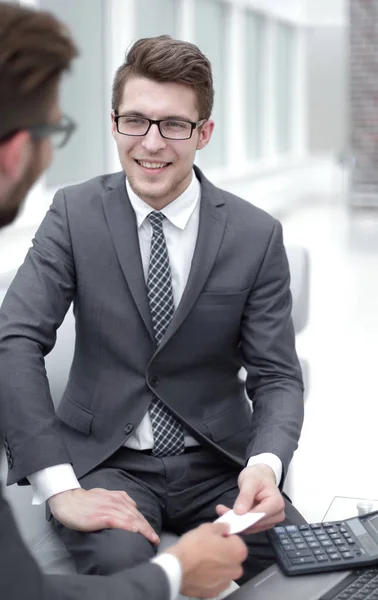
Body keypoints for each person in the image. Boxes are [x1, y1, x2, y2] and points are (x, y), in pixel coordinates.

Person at [0, 16, 306, 586]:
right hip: (109, 464)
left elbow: (277, 374)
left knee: (304, 557)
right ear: (114, 123)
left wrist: (265, 465)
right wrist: (59, 485)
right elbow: (14, 340)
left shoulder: (255, 233)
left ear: (204, 132)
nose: (151, 142)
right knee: (122, 571)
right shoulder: (73, 213)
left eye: (173, 124)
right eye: (135, 120)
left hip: (220, 466)